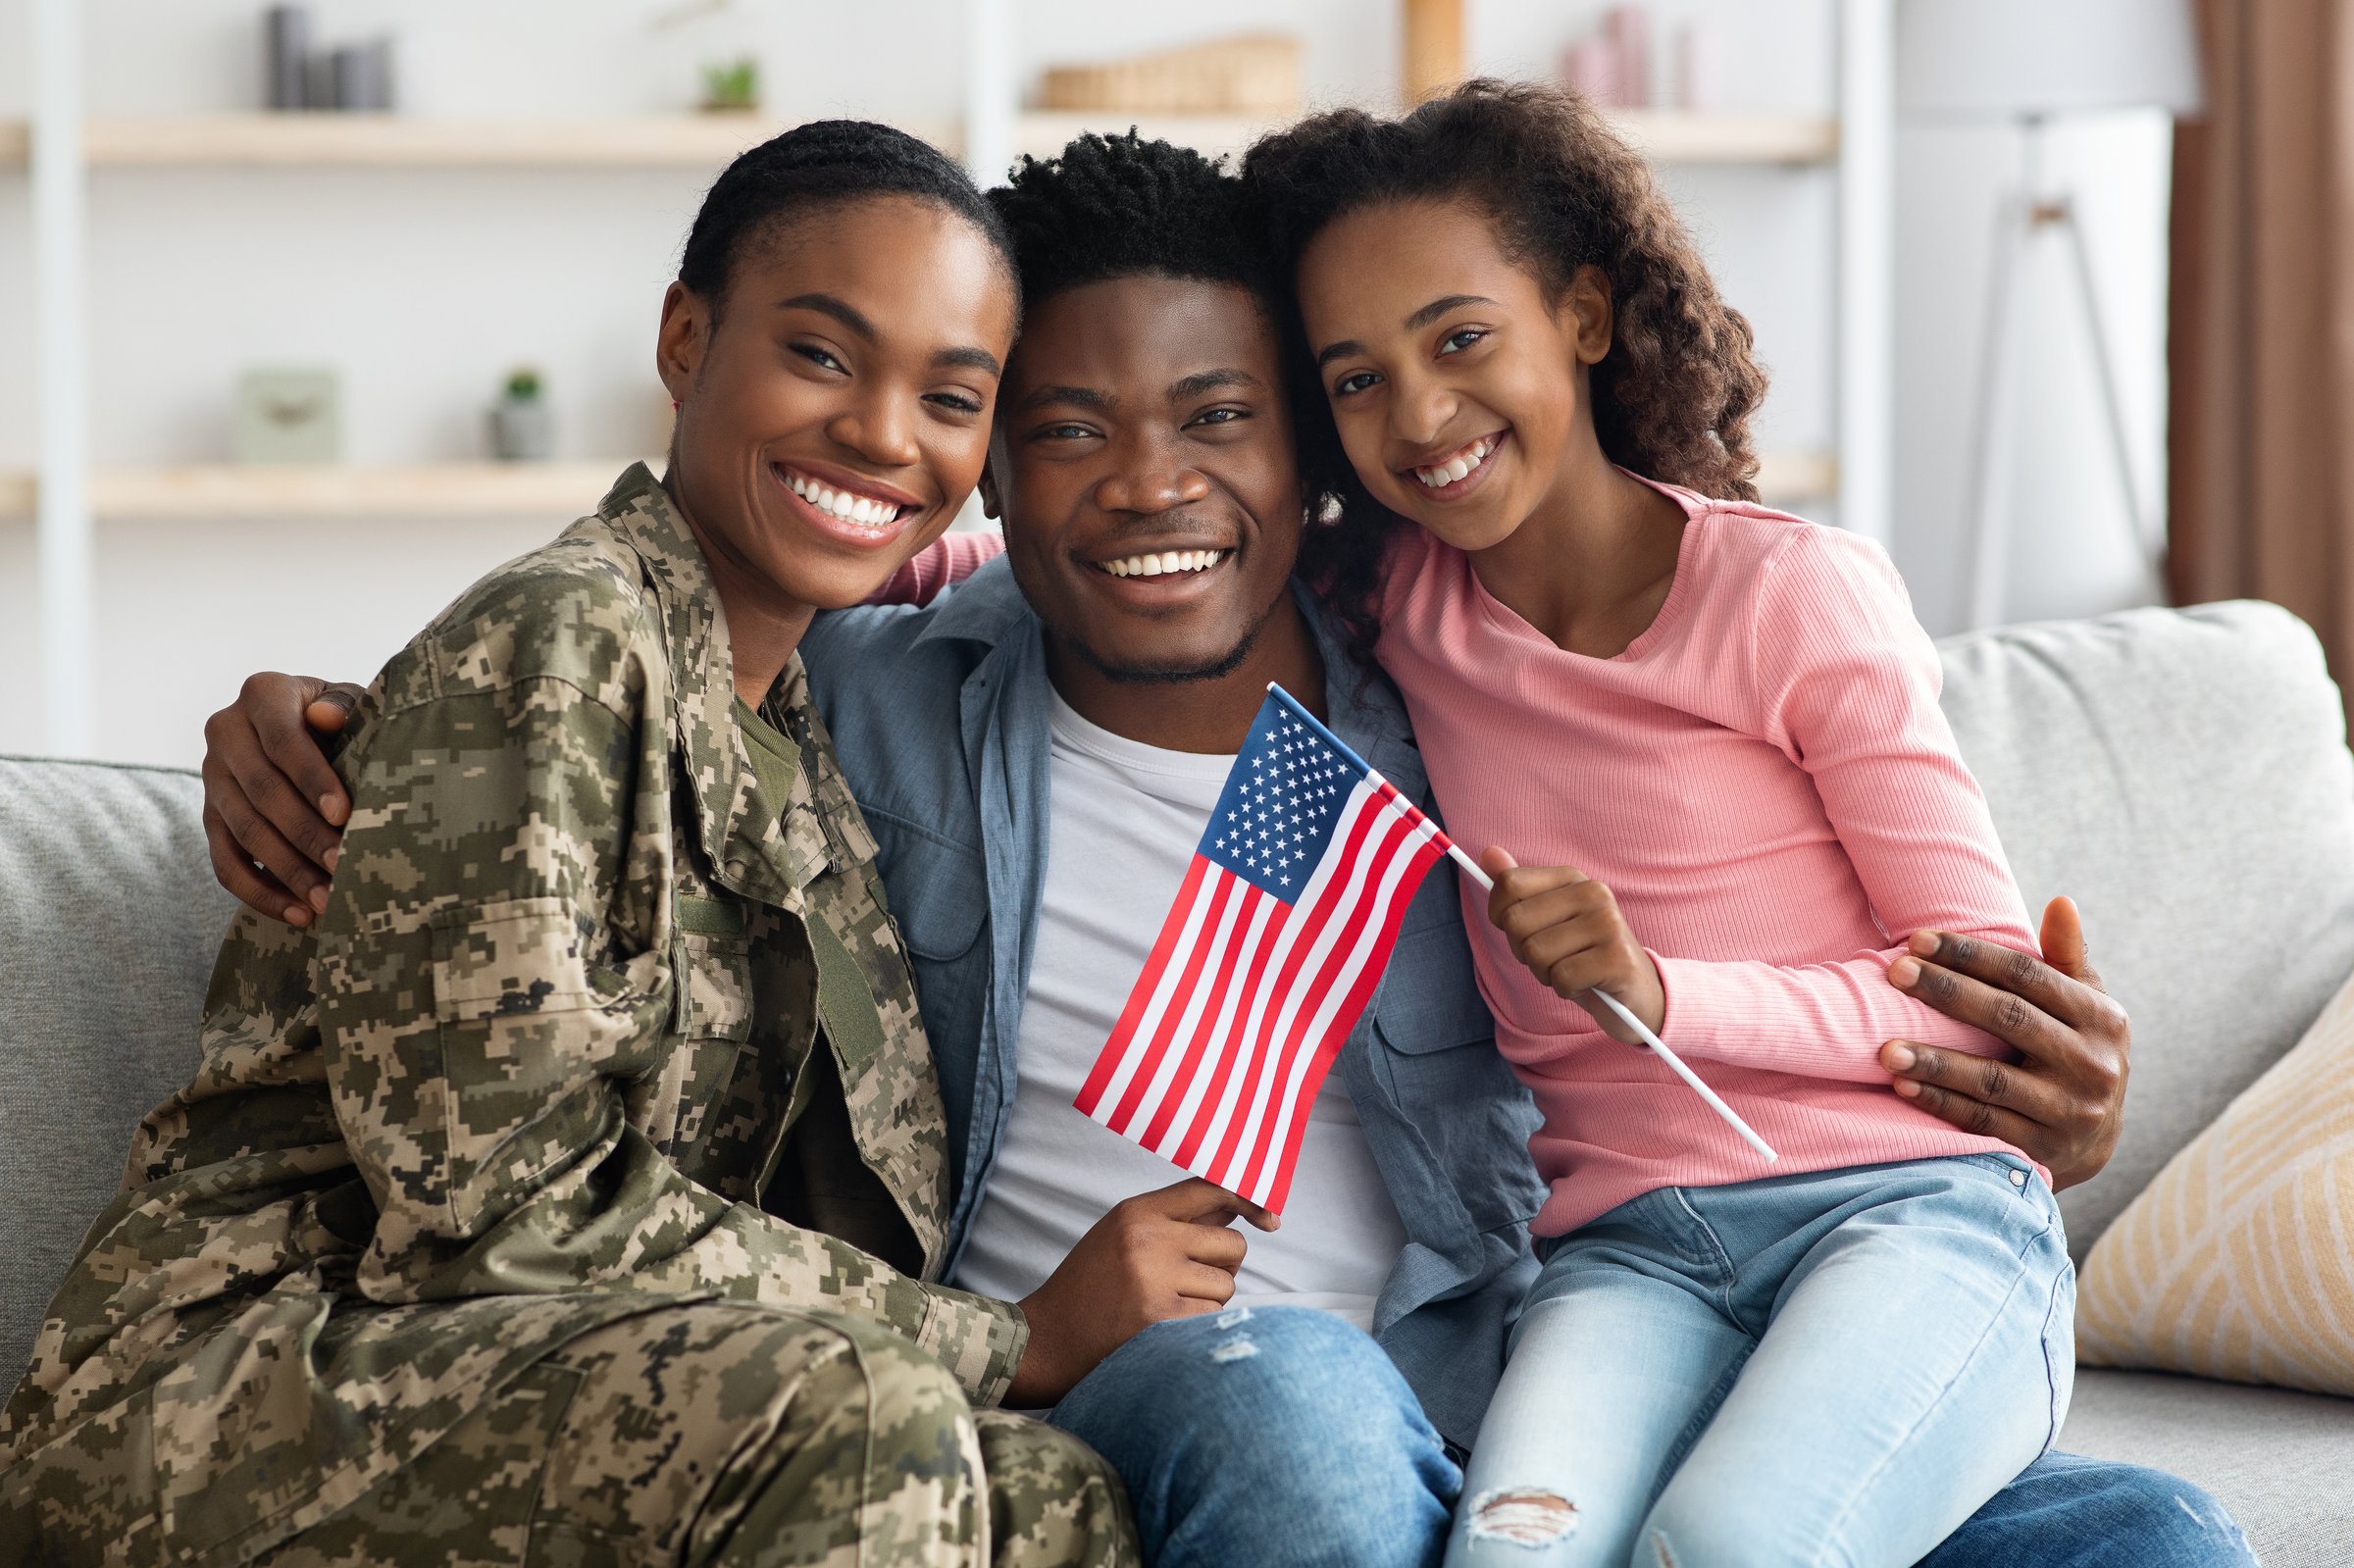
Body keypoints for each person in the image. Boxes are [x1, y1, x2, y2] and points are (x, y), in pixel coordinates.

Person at [196, 134, 2254, 1568]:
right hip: (1121, 1383)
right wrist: (326, 729)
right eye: (1070, 426)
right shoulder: (899, 687)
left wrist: (2013, 1083)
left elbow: (1812, 941)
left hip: (1481, 1392)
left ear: (1317, 447)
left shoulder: (1446, 697)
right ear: (995, 465)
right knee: (1288, 1392)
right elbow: (660, 639)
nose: (1149, 483)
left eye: (1225, 415)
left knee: (2144, 1528)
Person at [0, 123, 1137, 1567]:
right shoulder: (563, 640)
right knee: (874, 1415)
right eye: (824, 356)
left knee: (1050, 1499)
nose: (881, 432)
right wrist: (1006, 1341)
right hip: (246, 1389)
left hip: (558, 1381)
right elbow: (499, 1205)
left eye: (950, 394)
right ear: (685, 339)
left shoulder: (801, 717)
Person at [1241, 80, 2119, 1566]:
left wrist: (1660, 993)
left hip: (1911, 1215)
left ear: (1583, 315)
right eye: (1356, 379)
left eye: (1461, 338)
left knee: (1724, 1547)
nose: (1422, 415)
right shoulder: (1389, 607)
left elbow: (1984, 1002)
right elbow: (1107, 536)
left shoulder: (1792, 593)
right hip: (1630, 1257)